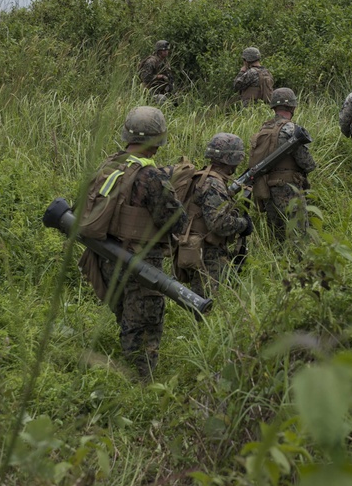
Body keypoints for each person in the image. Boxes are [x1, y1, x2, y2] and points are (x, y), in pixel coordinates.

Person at [86, 106, 186, 380]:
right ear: (157, 141)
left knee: (126, 317)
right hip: (141, 264)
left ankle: (127, 372)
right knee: (143, 327)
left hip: (108, 255)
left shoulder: (110, 164)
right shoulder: (151, 177)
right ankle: (141, 385)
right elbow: (175, 221)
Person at [175, 133, 253, 298]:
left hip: (199, 248)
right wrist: (243, 224)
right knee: (208, 301)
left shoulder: (204, 176)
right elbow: (218, 224)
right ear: (232, 159)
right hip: (207, 253)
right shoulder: (214, 183)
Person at [249, 88, 316, 237]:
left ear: (274, 107)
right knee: (299, 236)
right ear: (292, 107)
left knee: (276, 237)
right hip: (289, 189)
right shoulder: (292, 130)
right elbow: (307, 164)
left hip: (267, 189)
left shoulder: (264, 129)